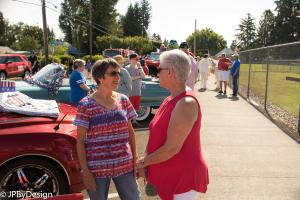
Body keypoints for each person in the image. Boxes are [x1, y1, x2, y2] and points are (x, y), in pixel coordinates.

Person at [137, 49, 209, 200]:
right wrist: (147, 162)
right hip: (168, 172)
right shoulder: (170, 98)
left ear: (170, 72)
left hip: (181, 178)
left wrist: (141, 163)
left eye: (159, 69)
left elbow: (171, 148)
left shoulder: (185, 103)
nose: (157, 73)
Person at [74, 58, 140, 200]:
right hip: (96, 169)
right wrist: (85, 171)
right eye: (113, 74)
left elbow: (130, 132)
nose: (118, 77)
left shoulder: (123, 100)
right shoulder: (86, 105)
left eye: (118, 73)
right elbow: (80, 141)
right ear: (99, 77)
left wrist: (135, 159)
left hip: (124, 165)